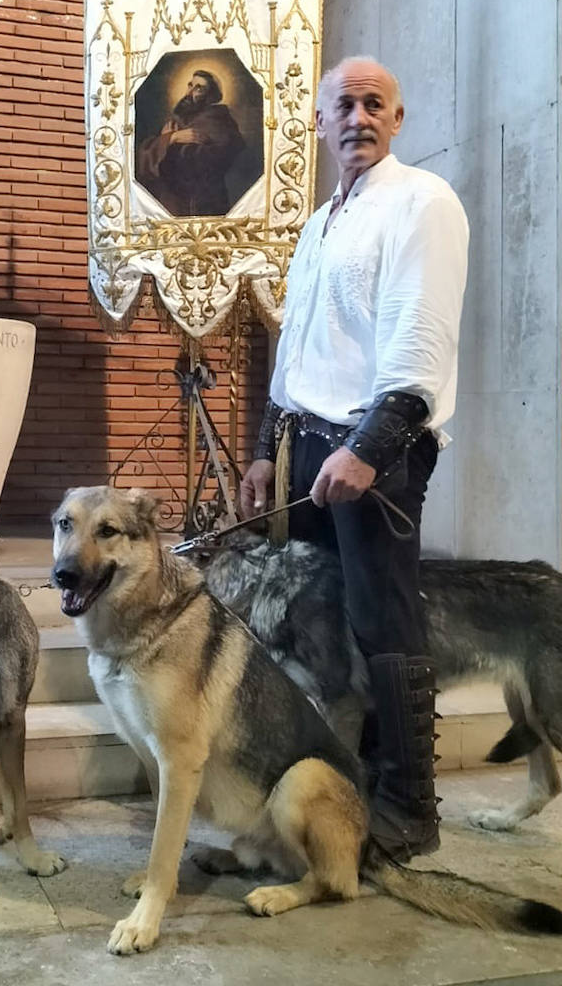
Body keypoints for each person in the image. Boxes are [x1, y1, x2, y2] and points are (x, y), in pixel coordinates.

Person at [238, 57, 469, 861]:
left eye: (376, 104)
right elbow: (299, 341)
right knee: (323, 624)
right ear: (319, 121)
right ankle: (347, 786)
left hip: (376, 449)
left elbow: (421, 332)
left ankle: (408, 805)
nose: (359, 117)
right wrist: (266, 447)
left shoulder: (421, 202)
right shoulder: (321, 220)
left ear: (397, 120)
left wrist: (369, 446)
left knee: (383, 622)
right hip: (307, 450)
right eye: (344, 103)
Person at [135, 69, 245, 216]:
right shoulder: (179, 120)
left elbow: (187, 168)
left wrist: (167, 142)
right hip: (171, 204)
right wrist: (172, 138)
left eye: (199, 88)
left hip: (202, 206)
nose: (189, 92)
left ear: (211, 95)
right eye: (190, 85)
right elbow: (141, 159)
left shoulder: (218, 123)